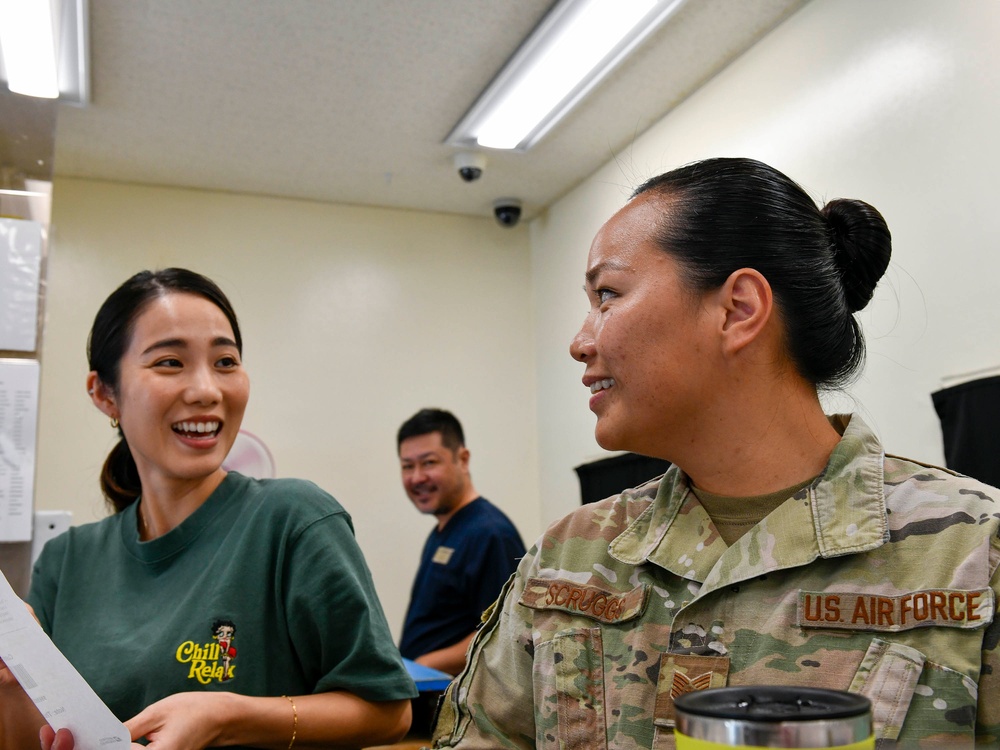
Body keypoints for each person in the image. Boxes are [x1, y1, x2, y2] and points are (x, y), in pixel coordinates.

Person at [431, 158, 1000, 748]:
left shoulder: (975, 553)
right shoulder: (567, 558)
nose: (581, 342)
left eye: (607, 294)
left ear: (738, 309)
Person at [0, 268, 416, 750]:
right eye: (170, 362)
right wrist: (11, 680)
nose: (206, 390)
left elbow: (388, 710)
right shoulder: (66, 561)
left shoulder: (294, 521)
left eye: (225, 361)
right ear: (104, 393)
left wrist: (227, 715)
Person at [397, 408, 525, 676]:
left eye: (429, 462)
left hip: (457, 705)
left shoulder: (491, 533)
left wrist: (422, 667)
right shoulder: (443, 531)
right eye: (408, 466)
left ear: (463, 459)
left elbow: (503, 631)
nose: (416, 477)